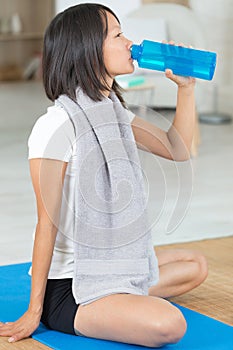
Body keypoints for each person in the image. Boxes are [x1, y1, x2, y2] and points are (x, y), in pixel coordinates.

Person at [0, 3, 208, 348]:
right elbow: (46, 223)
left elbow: (176, 148)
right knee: (169, 324)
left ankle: (122, 293)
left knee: (196, 265)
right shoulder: (55, 126)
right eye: (117, 34)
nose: (129, 42)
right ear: (87, 49)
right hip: (71, 288)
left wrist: (185, 89)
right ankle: (91, 305)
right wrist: (33, 310)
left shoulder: (113, 114)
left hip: (109, 268)